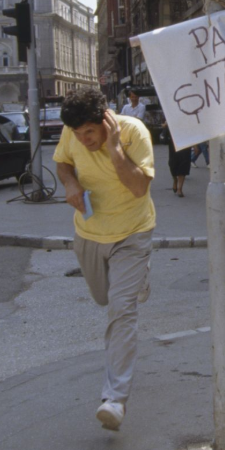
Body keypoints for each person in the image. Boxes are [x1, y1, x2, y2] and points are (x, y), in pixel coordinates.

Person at [53, 87, 156, 431]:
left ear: (105, 120)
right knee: (103, 298)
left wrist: (114, 149)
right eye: (77, 133)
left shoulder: (133, 132)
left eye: (89, 132)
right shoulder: (71, 133)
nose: (83, 140)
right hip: (89, 232)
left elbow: (139, 188)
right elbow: (62, 163)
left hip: (132, 233)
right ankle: (139, 277)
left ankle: (115, 399)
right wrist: (69, 183)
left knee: (121, 310)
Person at [162, 120, 190, 197]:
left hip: (185, 143)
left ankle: (179, 189)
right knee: (173, 165)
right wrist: (165, 125)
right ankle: (175, 179)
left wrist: (195, 146)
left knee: (183, 165)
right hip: (173, 144)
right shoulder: (171, 117)